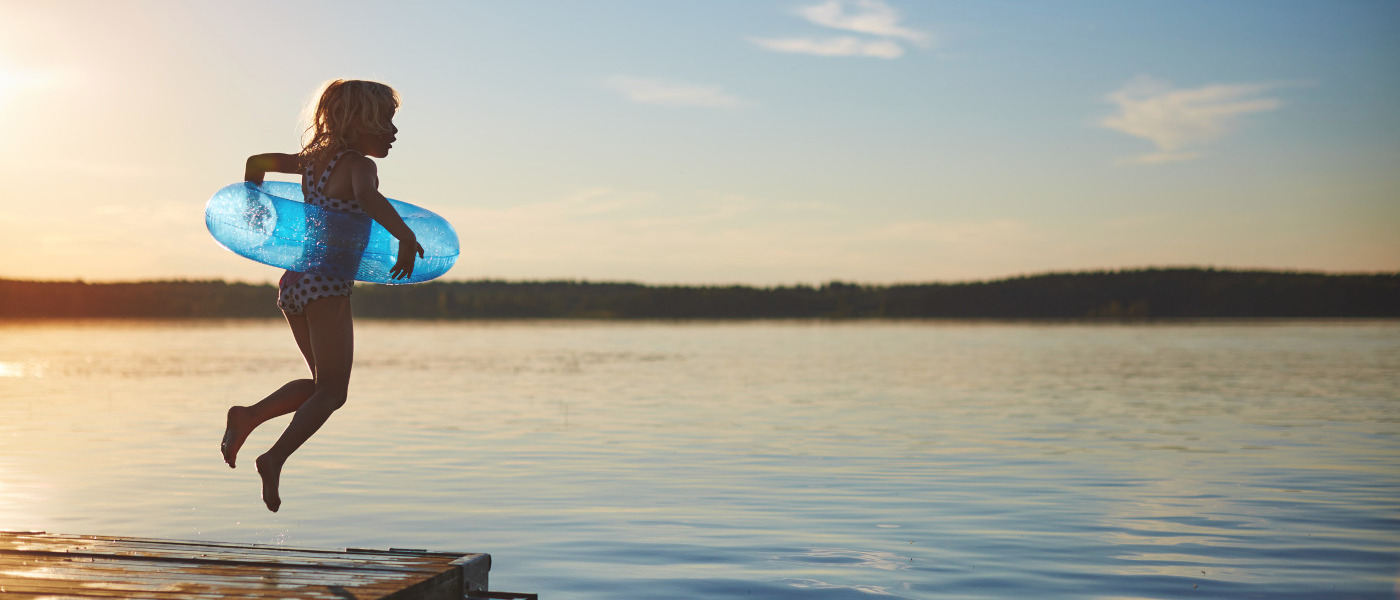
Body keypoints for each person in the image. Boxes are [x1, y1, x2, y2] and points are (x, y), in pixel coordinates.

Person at [219, 80, 424, 512]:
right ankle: (273, 458)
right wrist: (404, 235)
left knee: (319, 387)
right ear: (357, 122)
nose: (392, 131)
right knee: (334, 394)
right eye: (384, 121)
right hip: (327, 285)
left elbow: (257, 161)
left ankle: (248, 415)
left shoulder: (312, 162)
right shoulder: (357, 165)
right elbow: (368, 198)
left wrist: (255, 200)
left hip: (294, 283)